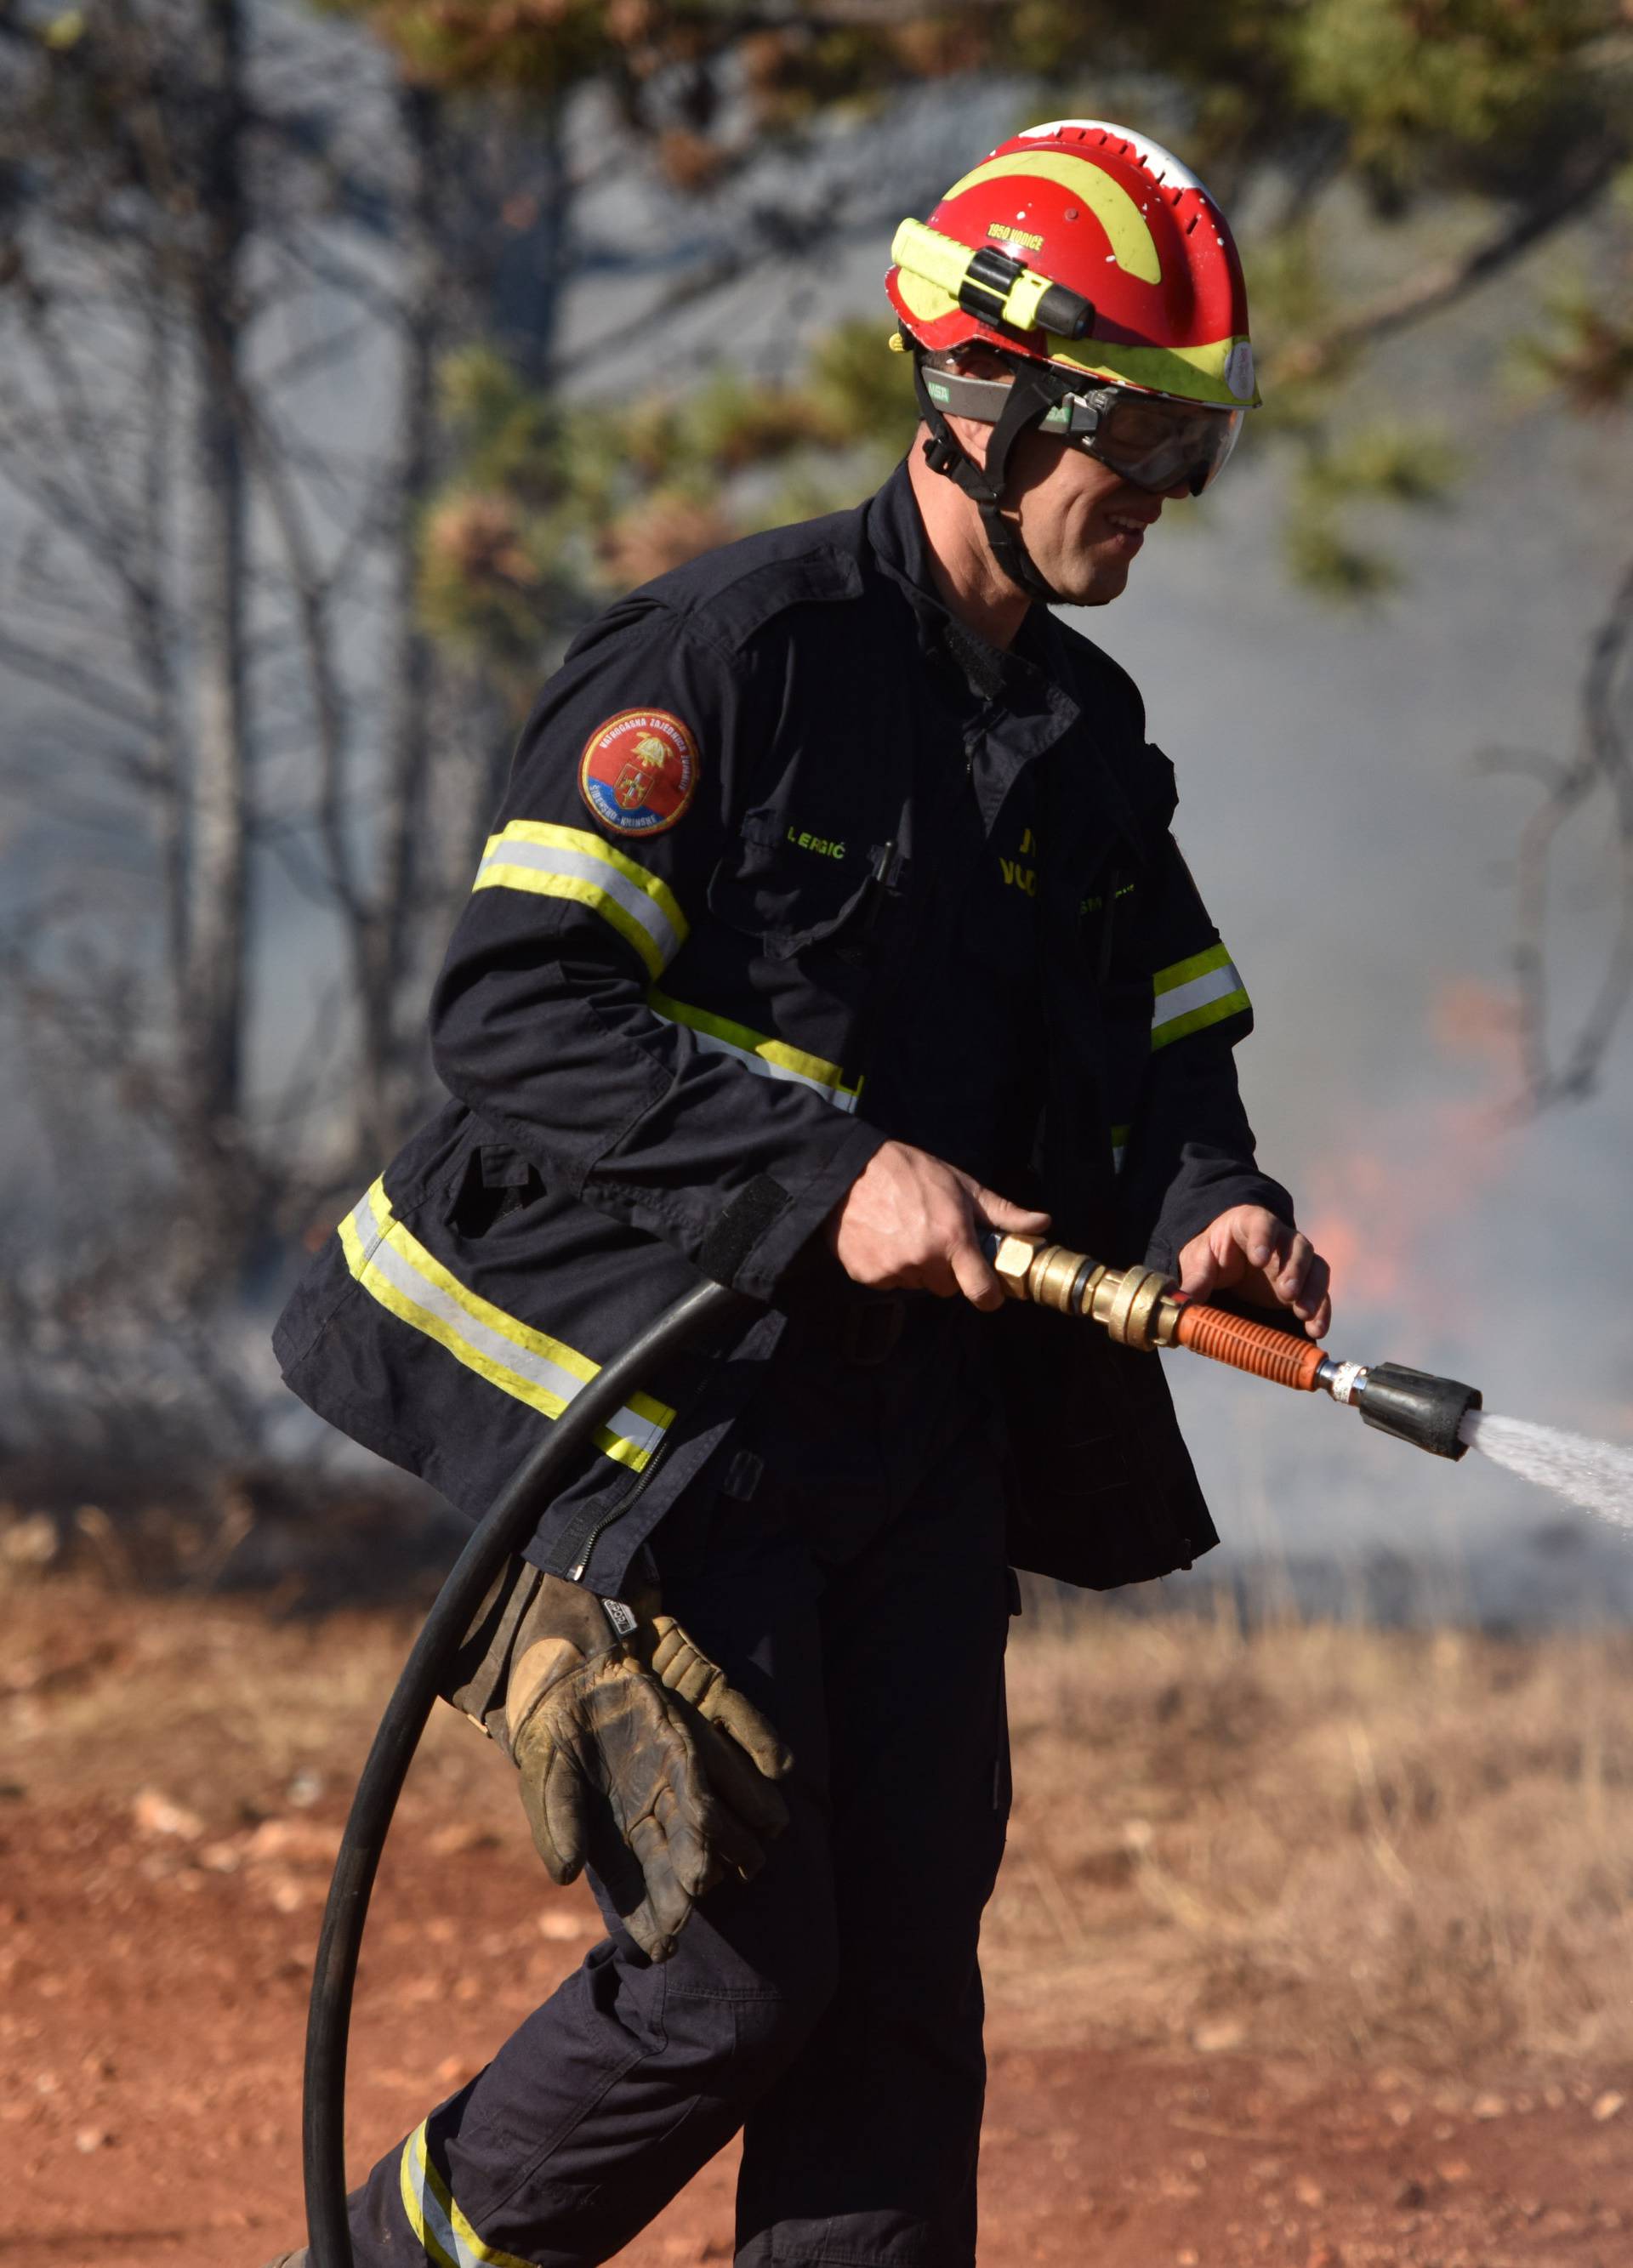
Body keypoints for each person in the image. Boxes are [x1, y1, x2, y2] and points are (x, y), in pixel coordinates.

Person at [266, 118, 1332, 2268]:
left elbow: (1165, 1054)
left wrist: (1214, 1194)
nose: (1157, 488)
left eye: (1192, 443)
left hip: (910, 1443)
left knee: (902, 2004)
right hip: (657, 1422)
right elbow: (516, 1013)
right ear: (986, 391)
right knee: (738, 1984)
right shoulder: (725, 658)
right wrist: (826, 1172)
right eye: (1130, 427)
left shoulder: (1084, 737)